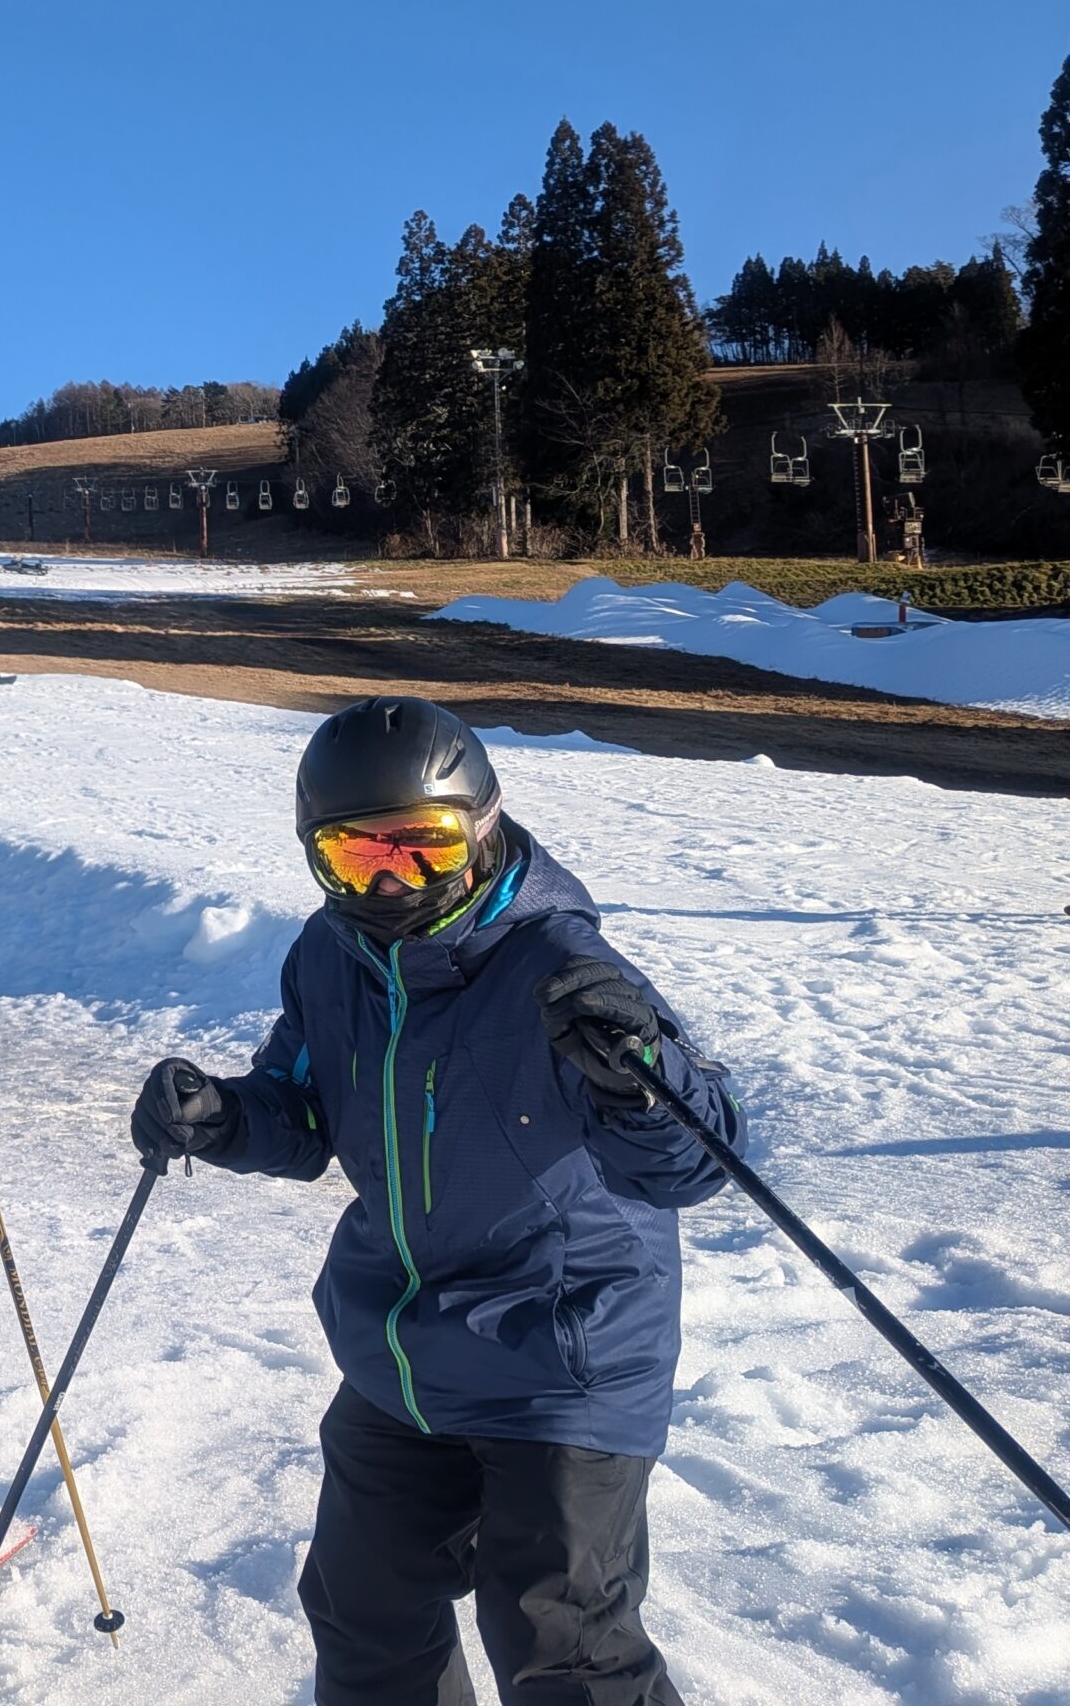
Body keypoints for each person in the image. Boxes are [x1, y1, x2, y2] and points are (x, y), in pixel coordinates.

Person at [128, 695, 743, 1706]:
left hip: (562, 1355)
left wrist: (642, 1074)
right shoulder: (329, 958)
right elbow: (305, 1112)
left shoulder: (560, 966)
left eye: (423, 849)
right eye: (354, 856)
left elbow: (693, 1164)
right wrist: (224, 1118)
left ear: (483, 828)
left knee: (563, 1646)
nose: (390, 883)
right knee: (361, 1606)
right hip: (407, 1353)